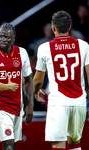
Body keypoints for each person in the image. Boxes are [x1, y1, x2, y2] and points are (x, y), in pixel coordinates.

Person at [33, 10, 89, 150]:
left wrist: (36, 91)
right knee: (75, 143)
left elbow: (38, 79)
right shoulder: (83, 45)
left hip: (58, 102)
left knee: (58, 144)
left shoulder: (45, 48)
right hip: (79, 102)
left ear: (53, 28)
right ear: (69, 27)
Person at [0, 23, 34, 150]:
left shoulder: (22, 53)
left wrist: (30, 104)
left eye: (7, 37)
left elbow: (29, 79)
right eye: (1, 36)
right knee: (8, 145)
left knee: (12, 146)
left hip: (17, 106)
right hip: (0, 106)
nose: (3, 39)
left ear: (13, 38)